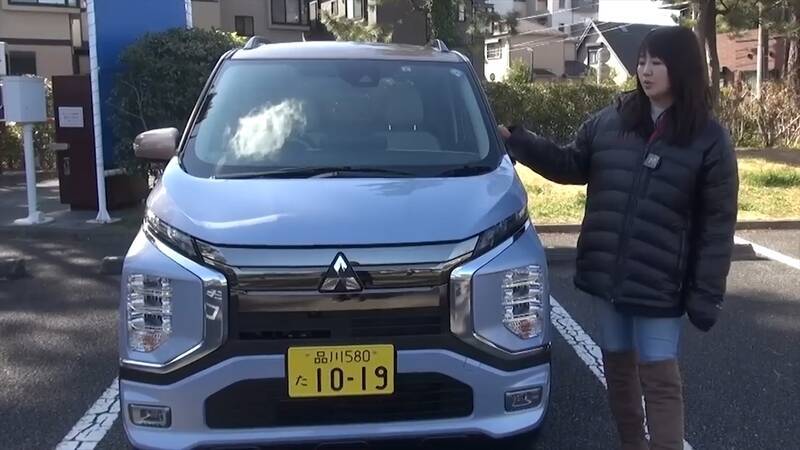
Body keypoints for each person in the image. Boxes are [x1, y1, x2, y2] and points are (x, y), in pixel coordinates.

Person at [499, 26, 738, 450]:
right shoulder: (611, 121)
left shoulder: (708, 139)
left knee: (660, 378)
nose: (645, 71)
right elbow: (570, 163)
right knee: (619, 372)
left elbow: (717, 226)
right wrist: (519, 142)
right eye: (642, 61)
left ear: (682, 68)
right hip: (607, 273)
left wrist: (706, 293)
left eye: (657, 62)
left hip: (660, 284)